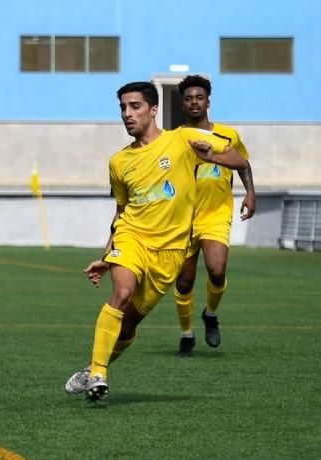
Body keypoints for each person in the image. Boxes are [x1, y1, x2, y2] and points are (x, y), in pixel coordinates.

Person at [64, 81, 248, 403]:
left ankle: (95, 365)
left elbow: (239, 159)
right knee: (121, 293)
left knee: (129, 325)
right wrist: (107, 257)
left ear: (153, 109)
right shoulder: (118, 163)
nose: (127, 114)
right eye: (122, 108)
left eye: (134, 106)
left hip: (171, 252)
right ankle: (99, 375)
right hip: (132, 238)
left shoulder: (183, 139)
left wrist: (213, 157)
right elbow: (121, 212)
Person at [173, 75, 256, 357]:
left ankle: (211, 314)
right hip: (182, 220)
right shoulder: (176, 139)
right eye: (188, 98)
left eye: (199, 97)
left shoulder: (227, 135)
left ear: (208, 101)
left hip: (216, 214)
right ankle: (186, 334)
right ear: (182, 103)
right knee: (184, 282)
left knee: (217, 270)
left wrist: (250, 193)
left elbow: (242, 163)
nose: (194, 102)